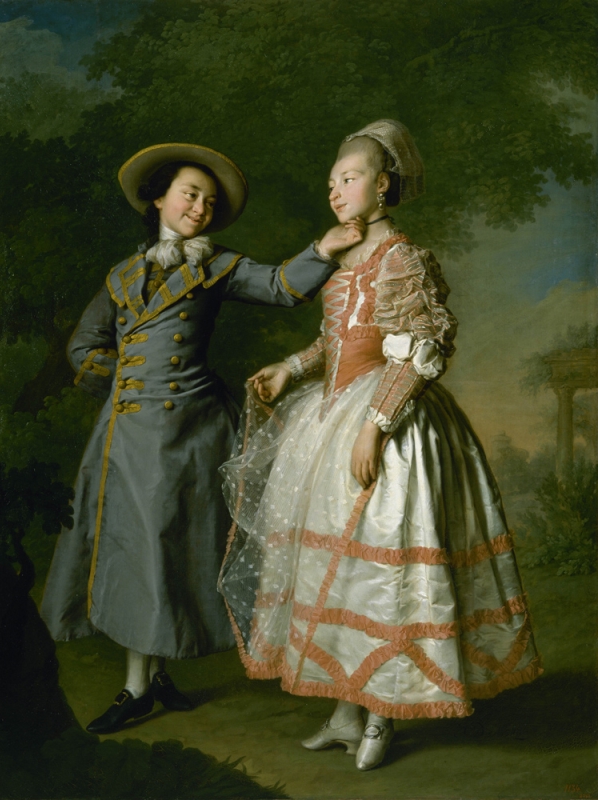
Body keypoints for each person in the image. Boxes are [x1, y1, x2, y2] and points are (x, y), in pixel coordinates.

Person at [219, 120, 542, 771]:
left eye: (349, 178)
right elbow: (335, 342)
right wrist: (289, 368)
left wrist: (376, 423)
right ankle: (345, 710)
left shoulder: (403, 258)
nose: (336, 191)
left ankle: (382, 714)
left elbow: (423, 349)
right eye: (331, 182)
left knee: (381, 571)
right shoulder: (343, 258)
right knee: (334, 573)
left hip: (391, 423)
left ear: (384, 185)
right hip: (328, 419)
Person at [40, 142, 361, 734]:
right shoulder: (121, 275)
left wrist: (323, 250)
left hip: (189, 429)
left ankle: (144, 682)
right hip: (125, 433)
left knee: (170, 546)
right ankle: (144, 681)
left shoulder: (217, 265)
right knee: (136, 549)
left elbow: (281, 286)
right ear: (158, 199)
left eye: (209, 202)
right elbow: (84, 346)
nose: (200, 208)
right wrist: (123, 381)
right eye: (190, 194)